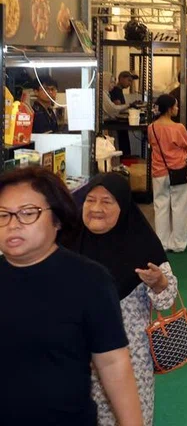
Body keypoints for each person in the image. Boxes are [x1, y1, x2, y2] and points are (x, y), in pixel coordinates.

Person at [0, 167, 143, 426]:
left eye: (28, 213)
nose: (13, 224)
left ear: (57, 220)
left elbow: (112, 363)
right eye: (3, 215)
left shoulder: (90, 280)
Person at [67, 173, 179, 426]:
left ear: (123, 206)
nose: (96, 208)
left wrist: (159, 283)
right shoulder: (68, 243)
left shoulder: (142, 245)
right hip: (77, 356)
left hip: (129, 358)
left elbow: (166, 300)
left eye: (107, 201)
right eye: (90, 200)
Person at [148, 95, 187, 252]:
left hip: (159, 171)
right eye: (175, 106)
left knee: (160, 206)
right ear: (169, 109)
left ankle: (162, 243)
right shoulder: (179, 128)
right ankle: (178, 243)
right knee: (179, 207)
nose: (177, 108)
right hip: (179, 170)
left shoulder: (152, 127)